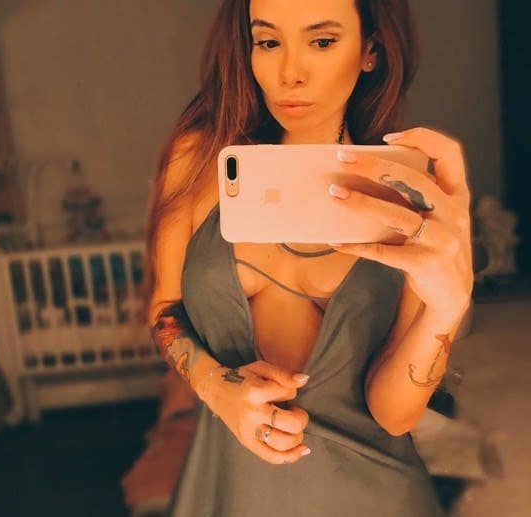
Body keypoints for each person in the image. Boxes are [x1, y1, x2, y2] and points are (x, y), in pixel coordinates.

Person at [142, 0, 474, 515]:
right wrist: (215, 386)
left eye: (321, 41)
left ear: (369, 51)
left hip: (373, 494)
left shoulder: (406, 195)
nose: (290, 73)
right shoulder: (198, 161)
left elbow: (395, 415)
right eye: (269, 42)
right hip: (228, 487)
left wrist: (447, 307)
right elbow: (166, 308)